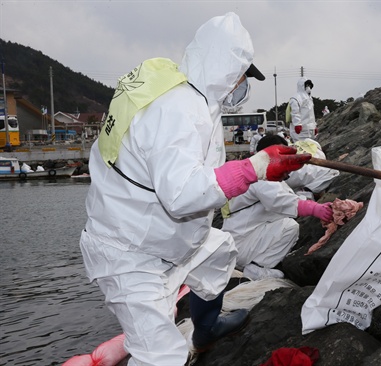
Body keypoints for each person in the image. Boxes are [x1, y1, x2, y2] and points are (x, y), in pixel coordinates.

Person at [79, 13, 311, 366]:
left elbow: (202, 172)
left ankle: (206, 331)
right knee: (163, 356)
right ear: (226, 70)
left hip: (169, 234)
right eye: (242, 76)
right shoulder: (179, 110)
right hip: (129, 252)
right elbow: (182, 195)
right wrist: (257, 166)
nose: (242, 85)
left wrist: (259, 171)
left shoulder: (193, 96)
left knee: (218, 254)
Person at [222, 135, 333, 280]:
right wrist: (315, 209)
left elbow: (283, 196)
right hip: (242, 244)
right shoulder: (261, 176)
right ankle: (257, 269)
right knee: (289, 226)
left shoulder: (253, 170)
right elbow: (280, 201)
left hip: (239, 240)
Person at [289, 77, 317, 142]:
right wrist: (297, 124)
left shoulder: (310, 98)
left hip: (310, 130)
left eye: (309, 85)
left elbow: (311, 115)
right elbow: (295, 112)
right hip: (300, 131)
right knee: (300, 148)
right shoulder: (296, 97)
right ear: (302, 85)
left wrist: (314, 126)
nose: (308, 87)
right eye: (307, 85)